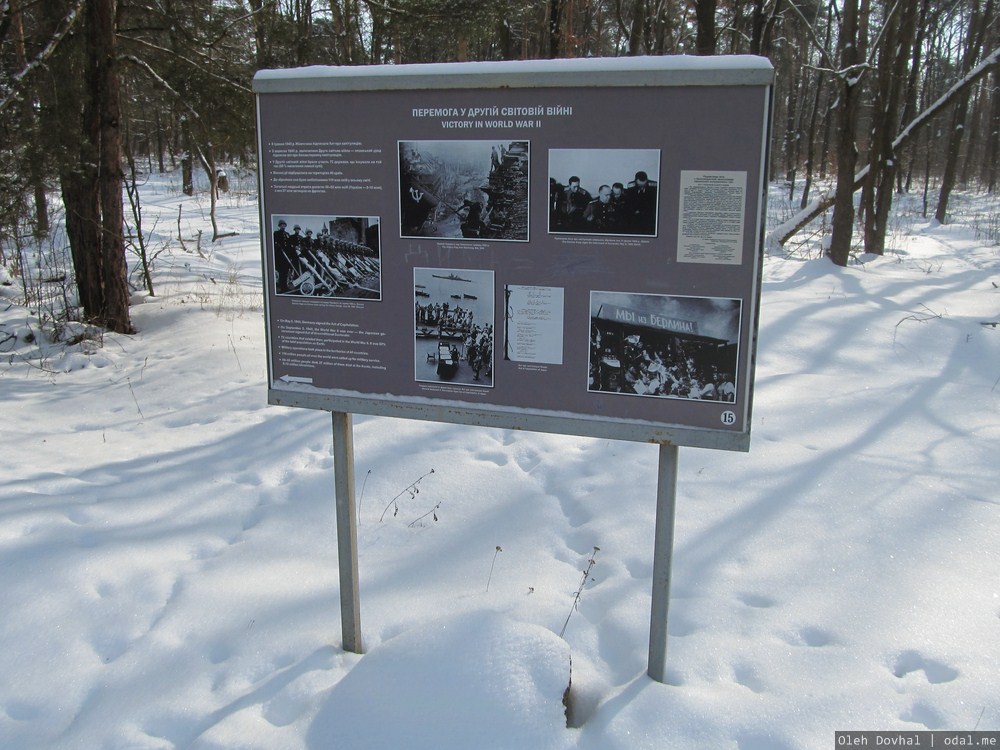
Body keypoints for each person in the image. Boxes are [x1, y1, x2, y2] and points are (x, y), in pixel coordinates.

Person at [624, 170, 657, 235]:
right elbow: (630, 202)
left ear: (647, 180)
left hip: (649, 212)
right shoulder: (631, 186)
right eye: (639, 184)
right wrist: (635, 211)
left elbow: (653, 203)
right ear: (636, 181)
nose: (642, 186)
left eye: (644, 184)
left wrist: (644, 212)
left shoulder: (653, 186)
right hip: (635, 212)